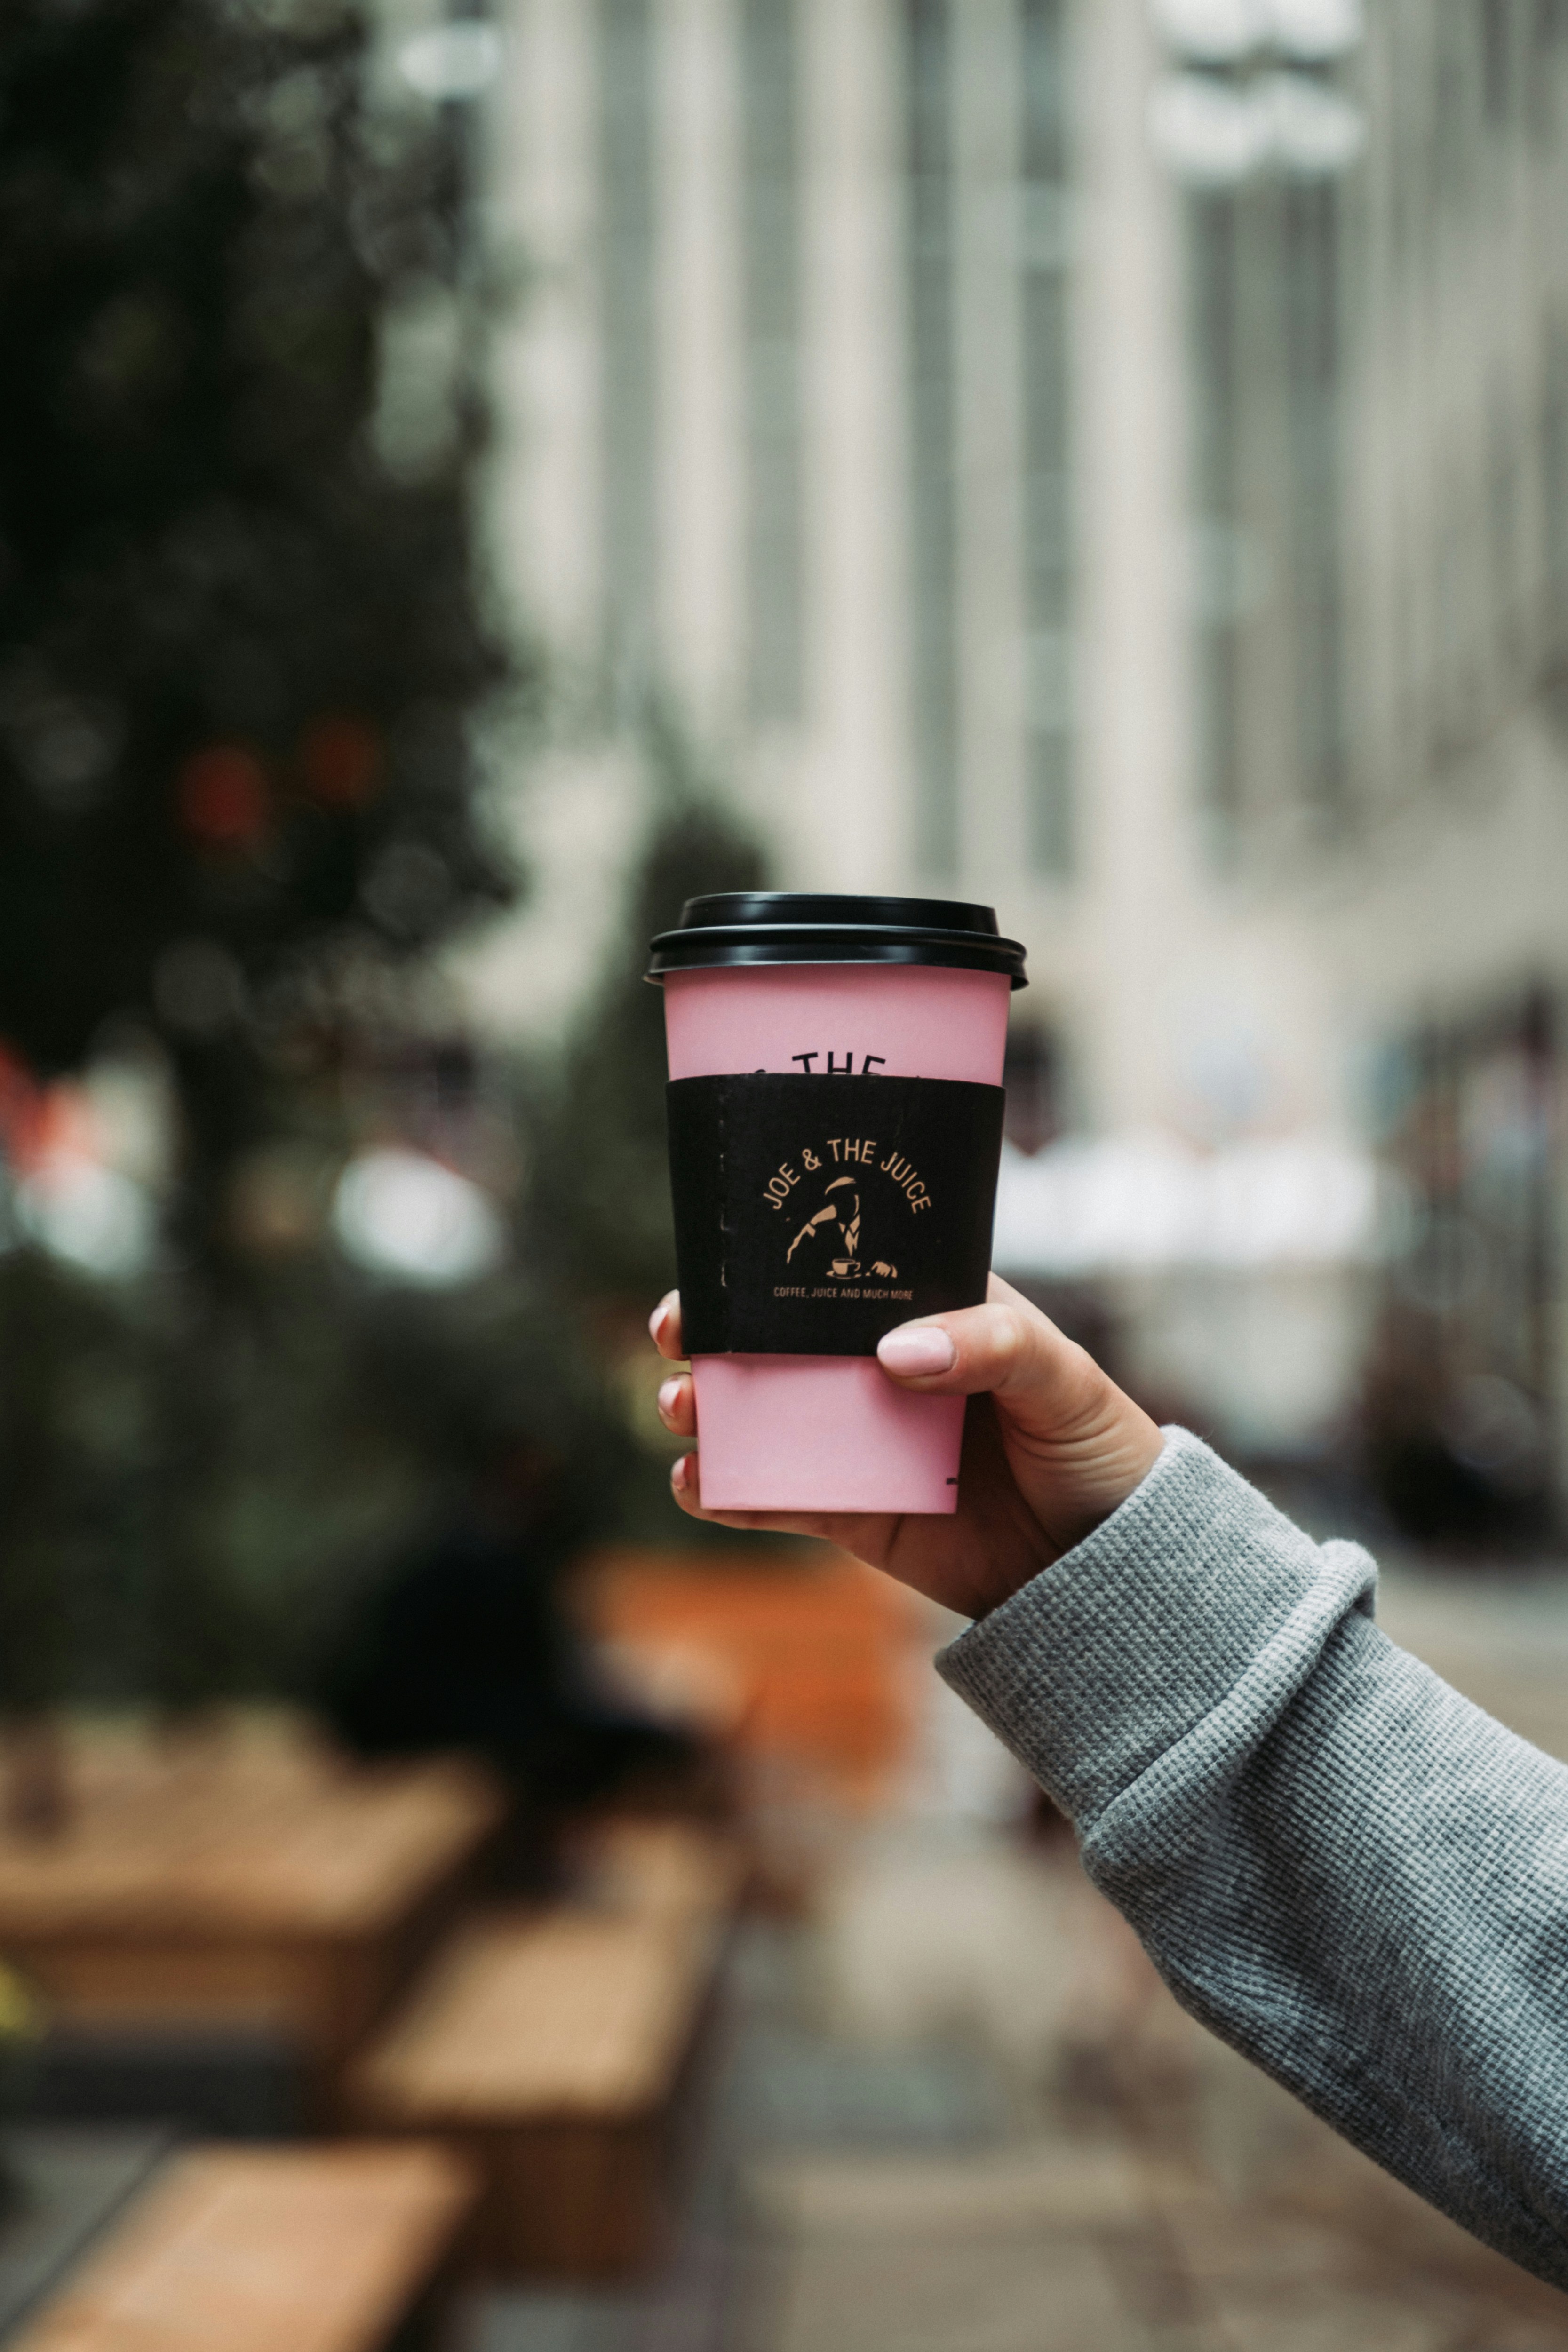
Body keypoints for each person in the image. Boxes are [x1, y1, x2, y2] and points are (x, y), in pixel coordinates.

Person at [651, 1276, 1568, 2290]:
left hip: (1110, 1730)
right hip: (1104, 1698)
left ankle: (1112, 2016)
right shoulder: (1094, 1428)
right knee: (1109, 1880)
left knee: (1105, 1880)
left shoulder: (1067, 1423)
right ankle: (1117, 2017)